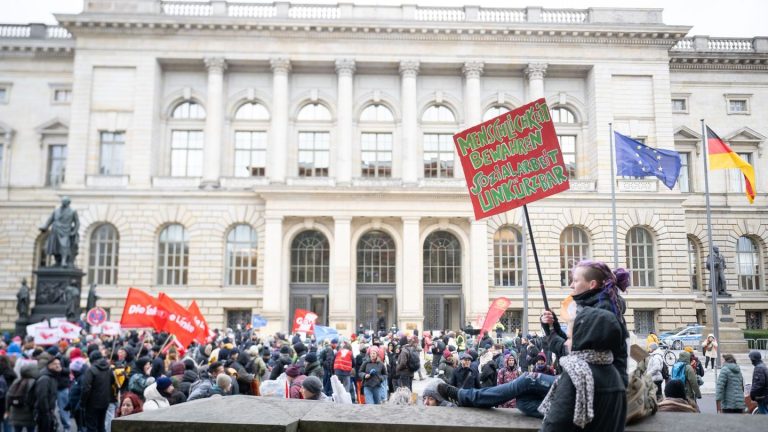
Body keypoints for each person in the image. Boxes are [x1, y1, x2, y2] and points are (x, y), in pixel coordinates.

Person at [541, 260, 630, 386]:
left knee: (527, 382)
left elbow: (575, 351)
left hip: (597, 386)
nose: (571, 285)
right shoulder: (594, 305)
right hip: (590, 380)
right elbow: (573, 340)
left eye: (576, 281)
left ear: (592, 284)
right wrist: (552, 324)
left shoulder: (600, 311)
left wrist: (551, 336)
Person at [38, 196, 80, 267]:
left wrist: (74, 231)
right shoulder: (56, 210)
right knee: (55, 246)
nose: (63, 203)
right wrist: (45, 226)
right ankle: (57, 261)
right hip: (56, 229)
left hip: (66, 230)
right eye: (62, 201)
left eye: (64, 202)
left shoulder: (73, 211)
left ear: (68, 203)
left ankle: (64, 261)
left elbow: (77, 222)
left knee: (64, 246)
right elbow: (50, 219)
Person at [81, 350, 114, 432]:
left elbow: (86, 388)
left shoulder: (91, 370)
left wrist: (83, 402)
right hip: (105, 401)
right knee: (101, 425)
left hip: (92, 403)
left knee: (91, 427)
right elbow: (112, 381)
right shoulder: (108, 368)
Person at [6, 364, 37, 432]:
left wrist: (7, 409)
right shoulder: (34, 382)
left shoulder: (16, 381)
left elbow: (8, 396)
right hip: (29, 413)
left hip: (15, 412)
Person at [34, 357, 61, 432]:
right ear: (49, 366)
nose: (58, 366)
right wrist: (47, 413)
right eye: (55, 364)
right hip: (44, 413)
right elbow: (42, 397)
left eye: (59, 364)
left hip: (49, 412)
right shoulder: (45, 378)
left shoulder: (53, 376)